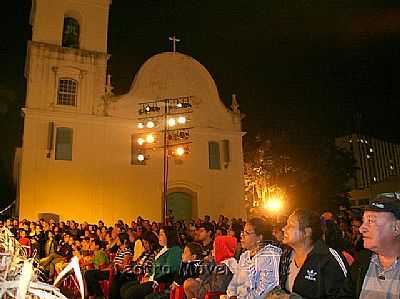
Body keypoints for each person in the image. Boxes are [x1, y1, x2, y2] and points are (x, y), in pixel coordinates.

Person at [337, 194, 400, 298]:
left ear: (396, 228)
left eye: (370, 221)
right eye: (363, 221)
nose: (361, 229)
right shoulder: (361, 262)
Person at [275, 209, 347, 298]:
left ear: (307, 232)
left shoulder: (328, 259)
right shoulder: (286, 256)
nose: (284, 228)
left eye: (291, 225)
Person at [120, 226, 182, 299]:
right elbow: (153, 266)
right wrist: (147, 275)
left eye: (161, 235)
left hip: (160, 282)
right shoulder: (164, 249)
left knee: (130, 293)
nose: (159, 237)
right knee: (124, 288)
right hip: (152, 279)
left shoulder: (175, 250)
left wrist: (150, 278)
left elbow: (169, 269)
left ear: (169, 236)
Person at [227, 218, 281, 299]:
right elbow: (234, 282)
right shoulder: (245, 256)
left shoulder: (269, 256)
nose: (242, 236)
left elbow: (264, 291)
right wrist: (232, 295)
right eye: (242, 232)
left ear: (259, 238)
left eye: (247, 233)